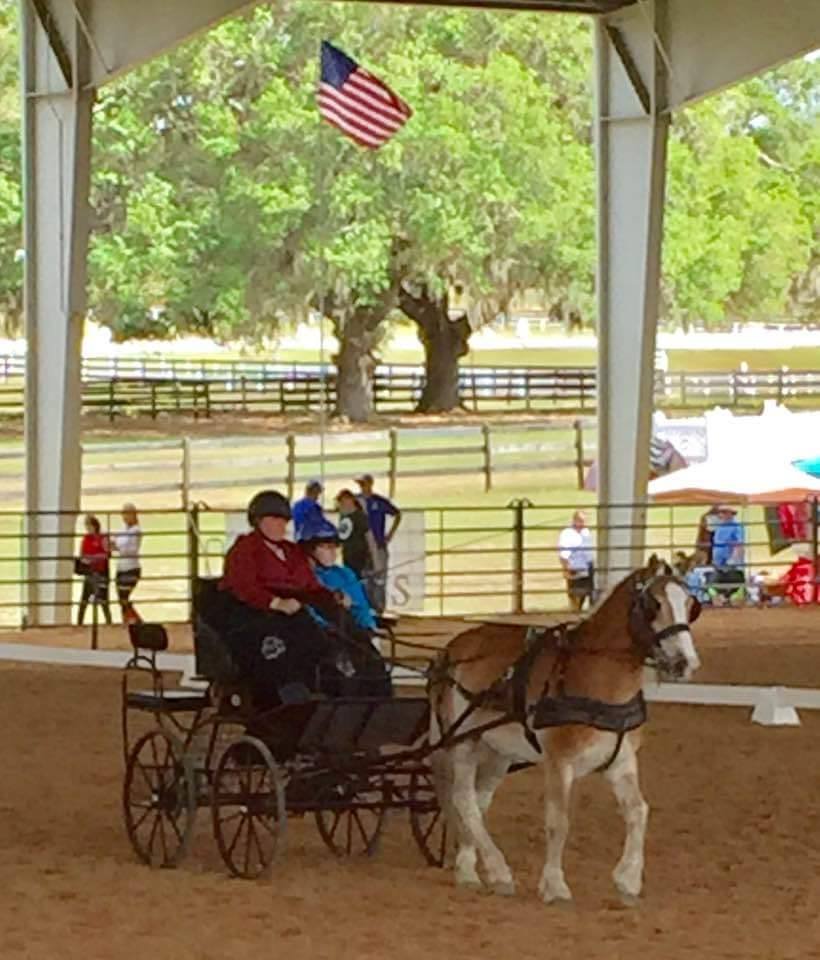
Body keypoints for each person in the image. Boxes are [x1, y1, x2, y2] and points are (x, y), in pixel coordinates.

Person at [216, 490, 353, 706]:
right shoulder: (244, 550)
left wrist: (332, 597)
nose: (281, 525)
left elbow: (309, 585)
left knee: (326, 638)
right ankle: (287, 699)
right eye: (274, 520)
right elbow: (243, 586)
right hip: (255, 619)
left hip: (294, 617)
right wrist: (275, 603)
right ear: (258, 521)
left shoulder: (292, 551)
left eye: (284, 520)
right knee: (282, 649)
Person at [299, 518, 391, 697]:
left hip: (352, 634)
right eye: (326, 547)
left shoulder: (345, 574)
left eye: (334, 547)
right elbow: (309, 612)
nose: (332, 552)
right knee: (342, 673)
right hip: (323, 637)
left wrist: (368, 626)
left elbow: (362, 607)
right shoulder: (304, 577)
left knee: (376, 667)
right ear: (309, 550)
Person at [354, 474, 401, 613]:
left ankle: (379, 609)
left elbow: (397, 514)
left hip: (378, 544)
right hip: (362, 546)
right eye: (361, 485)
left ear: (370, 484)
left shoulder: (378, 501)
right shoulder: (356, 501)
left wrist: (390, 534)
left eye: (364, 484)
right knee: (363, 578)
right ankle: (366, 608)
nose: (362, 487)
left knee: (379, 578)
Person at [76, 514, 112, 626]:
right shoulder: (85, 539)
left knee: (103, 601)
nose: (87, 528)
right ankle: (79, 624)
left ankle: (109, 623)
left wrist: (94, 558)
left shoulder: (103, 538)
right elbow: (82, 555)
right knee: (84, 600)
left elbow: (107, 554)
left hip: (101, 572)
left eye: (89, 525)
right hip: (89, 572)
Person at [335, 488, 377, 579]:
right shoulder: (343, 516)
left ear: (351, 500)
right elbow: (341, 535)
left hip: (359, 555)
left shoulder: (360, 516)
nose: (342, 505)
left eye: (343, 501)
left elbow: (369, 537)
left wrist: (375, 559)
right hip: (347, 554)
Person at [557, 510, 595, 611]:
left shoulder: (586, 532)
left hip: (587, 567)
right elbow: (563, 554)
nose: (583, 524)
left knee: (588, 595)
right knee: (575, 598)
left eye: (585, 521)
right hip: (574, 568)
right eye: (581, 521)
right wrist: (566, 569)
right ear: (575, 520)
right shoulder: (567, 534)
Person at [112, 502, 142, 625]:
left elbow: (132, 549)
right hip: (122, 567)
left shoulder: (136, 530)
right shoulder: (123, 528)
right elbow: (117, 542)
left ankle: (134, 621)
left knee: (123, 597)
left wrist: (117, 547)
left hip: (131, 567)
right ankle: (129, 620)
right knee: (122, 598)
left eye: (127, 513)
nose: (124, 517)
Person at [709, 505, 746, 604]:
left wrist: (733, 559)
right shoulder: (719, 527)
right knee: (712, 584)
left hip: (731, 566)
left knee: (733, 582)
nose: (720, 514)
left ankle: (731, 596)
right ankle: (723, 597)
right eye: (720, 512)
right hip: (719, 565)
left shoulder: (736, 527)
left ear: (730, 513)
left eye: (724, 512)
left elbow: (739, 544)